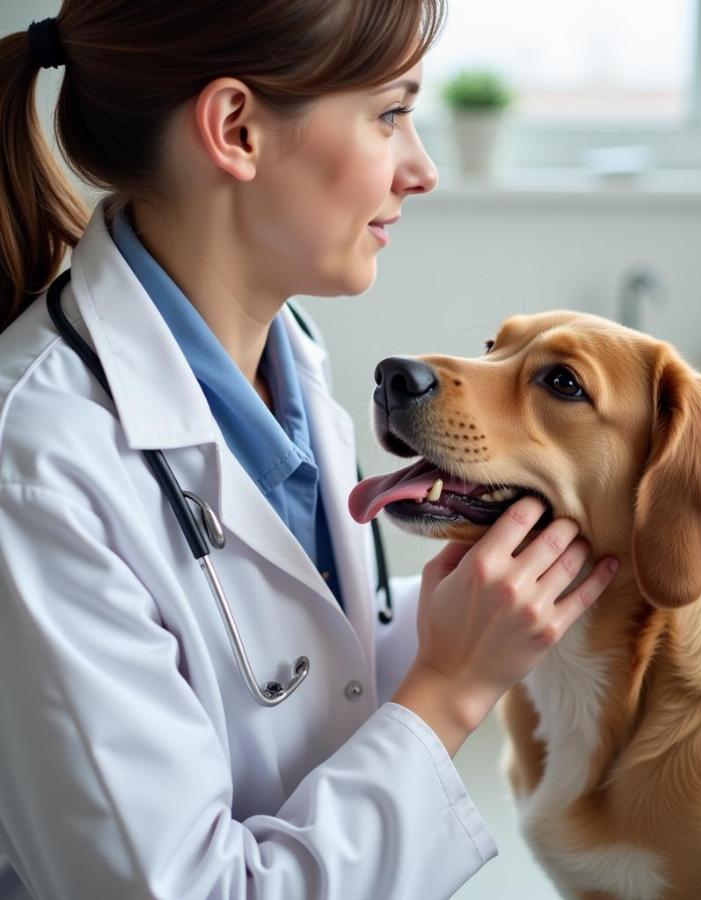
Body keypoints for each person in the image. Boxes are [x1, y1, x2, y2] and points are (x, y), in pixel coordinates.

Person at [0, 2, 619, 897]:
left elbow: (306, 647)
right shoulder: (37, 465)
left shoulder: (288, 349)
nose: (423, 170)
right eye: (391, 114)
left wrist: (495, 604)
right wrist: (450, 688)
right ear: (237, 129)